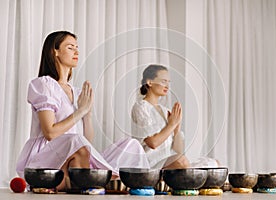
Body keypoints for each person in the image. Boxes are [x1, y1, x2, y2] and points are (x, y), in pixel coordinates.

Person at [16, 31, 149, 191]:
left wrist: (88, 113)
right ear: (55, 51)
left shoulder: (78, 92)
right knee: (75, 140)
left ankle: (103, 179)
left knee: (131, 145)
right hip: (47, 161)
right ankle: (109, 179)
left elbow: (87, 140)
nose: (77, 52)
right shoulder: (44, 85)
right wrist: (80, 111)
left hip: (78, 157)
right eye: (71, 47)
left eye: (77, 48)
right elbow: (49, 133)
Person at [131, 64, 219, 169]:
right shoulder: (141, 107)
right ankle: (192, 176)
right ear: (150, 82)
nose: (167, 86)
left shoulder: (165, 111)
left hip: (172, 163)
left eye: (168, 82)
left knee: (214, 164)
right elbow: (153, 143)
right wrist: (171, 125)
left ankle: (193, 175)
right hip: (152, 165)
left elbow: (178, 151)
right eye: (163, 81)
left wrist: (177, 127)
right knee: (182, 161)